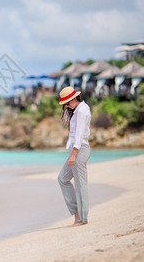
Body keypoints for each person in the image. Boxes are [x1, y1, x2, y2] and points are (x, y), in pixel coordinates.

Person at [57, 86, 91, 226]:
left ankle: (82, 218)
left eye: (68, 102)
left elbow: (80, 134)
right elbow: (67, 120)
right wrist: (67, 108)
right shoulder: (75, 110)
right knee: (62, 178)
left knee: (80, 183)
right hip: (76, 149)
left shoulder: (83, 111)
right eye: (65, 103)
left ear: (74, 98)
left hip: (80, 149)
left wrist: (73, 155)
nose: (67, 105)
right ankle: (77, 215)